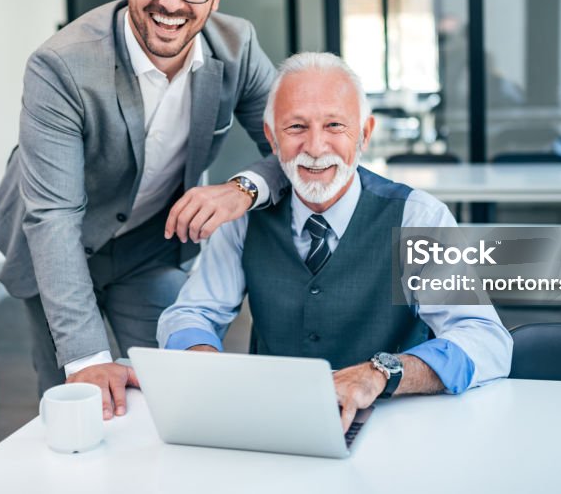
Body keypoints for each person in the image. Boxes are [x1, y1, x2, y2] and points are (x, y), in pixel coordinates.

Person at [0, 0, 286, 419]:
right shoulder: (61, 66)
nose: (173, 2)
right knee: (76, 403)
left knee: (177, 388)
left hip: (148, 246)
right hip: (55, 243)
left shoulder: (237, 47)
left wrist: (242, 188)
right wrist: (86, 360)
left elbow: (294, 147)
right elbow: (53, 217)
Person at [157, 52, 512, 432]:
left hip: (397, 427)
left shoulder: (418, 218)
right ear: (271, 137)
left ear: (365, 133)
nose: (315, 146)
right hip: (275, 423)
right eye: (296, 127)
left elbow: (485, 339)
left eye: (334, 125)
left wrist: (381, 373)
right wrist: (201, 357)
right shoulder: (243, 219)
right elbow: (191, 313)